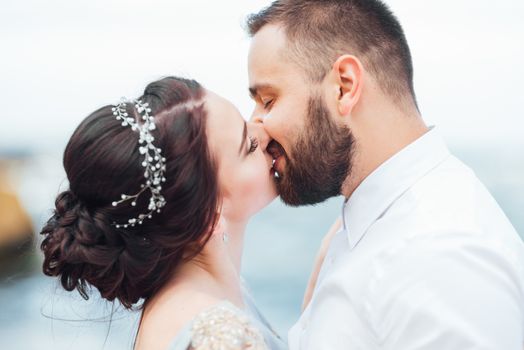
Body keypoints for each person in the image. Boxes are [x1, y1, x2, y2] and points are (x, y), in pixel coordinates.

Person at [246, 1, 524, 349]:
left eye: (268, 101)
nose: (256, 127)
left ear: (344, 87)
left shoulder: (442, 255)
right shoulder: (370, 226)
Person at [39, 77, 286, 350]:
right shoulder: (219, 335)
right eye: (248, 146)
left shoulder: (204, 298)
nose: (265, 132)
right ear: (206, 214)